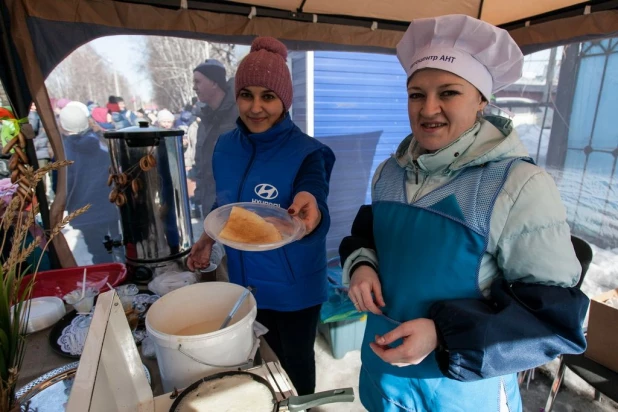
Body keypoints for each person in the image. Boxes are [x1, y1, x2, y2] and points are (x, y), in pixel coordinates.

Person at [339, 15, 589, 412]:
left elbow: (553, 322)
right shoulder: (390, 172)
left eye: (449, 92)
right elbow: (371, 234)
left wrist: (442, 335)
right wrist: (362, 266)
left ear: (482, 100)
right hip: (384, 378)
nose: (428, 108)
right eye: (416, 94)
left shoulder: (517, 185)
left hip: (461, 392)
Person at [187, 37, 336, 397]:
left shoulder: (307, 153)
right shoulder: (225, 147)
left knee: (296, 365)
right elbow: (225, 207)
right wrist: (207, 238)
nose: (255, 107)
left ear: (284, 101)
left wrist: (308, 207)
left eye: (268, 96)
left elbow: (314, 197)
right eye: (246, 95)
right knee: (263, 362)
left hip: (295, 287)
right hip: (246, 282)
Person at [60, 102, 120, 264]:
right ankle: (125, 279)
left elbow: (61, 186)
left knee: (99, 253)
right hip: (109, 207)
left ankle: (109, 284)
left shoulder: (62, 153)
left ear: (63, 126)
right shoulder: (102, 144)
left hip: (83, 212)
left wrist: (64, 206)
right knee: (118, 247)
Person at [191, 59, 238, 218]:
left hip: (236, 207)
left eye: (198, 82)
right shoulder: (204, 120)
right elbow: (200, 163)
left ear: (214, 82)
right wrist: (198, 197)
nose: (194, 87)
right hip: (210, 207)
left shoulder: (240, 115)